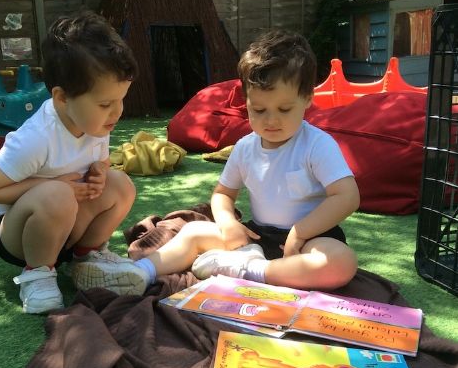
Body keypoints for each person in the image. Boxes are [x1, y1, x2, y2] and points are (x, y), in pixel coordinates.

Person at [127, 30, 360, 291]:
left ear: (307, 98)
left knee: (340, 263)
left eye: (284, 109)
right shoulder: (245, 147)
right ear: (246, 102)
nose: (271, 120)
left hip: (309, 240)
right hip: (256, 238)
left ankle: (250, 271)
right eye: (259, 110)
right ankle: (137, 272)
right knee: (192, 232)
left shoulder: (317, 144)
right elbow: (222, 194)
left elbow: (347, 196)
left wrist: (301, 231)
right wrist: (228, 223)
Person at [0, 10, 148, 314]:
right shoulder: (37, 138)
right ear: (62, 98)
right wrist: (50, 184)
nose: (117, 112)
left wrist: (100, 170)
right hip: (17, 233)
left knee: (121, 184)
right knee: (56, 194)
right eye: (105, 103)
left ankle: (86, 257)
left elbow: (101, 161)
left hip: (66, 223)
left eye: (121, 99)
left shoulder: (95, 122)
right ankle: (37, 273)